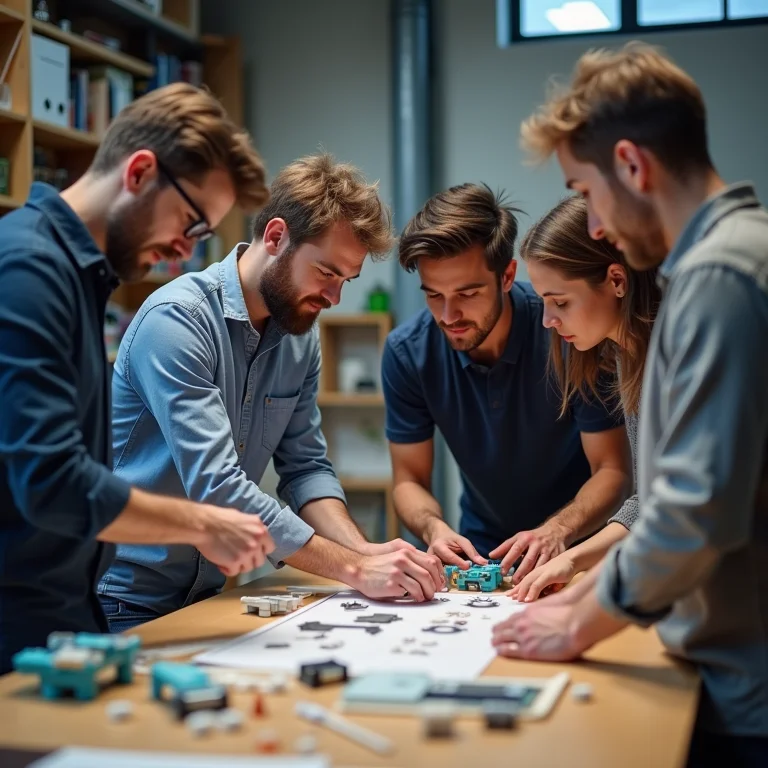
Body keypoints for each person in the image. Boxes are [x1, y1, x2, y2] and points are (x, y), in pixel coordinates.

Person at [492, 42, 768, 767]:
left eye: (585, 192)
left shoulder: (720, 277)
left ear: (632, 166)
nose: (593, 224)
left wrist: (578, 625)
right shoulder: (733, 259)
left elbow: (692, 511)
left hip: (749, 691)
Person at [98, 153, 445, 631]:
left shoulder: (300, 337)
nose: (334, 298)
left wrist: (362, 549)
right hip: (125, 601)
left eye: (347, 280)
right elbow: (218, 488)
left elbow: (306, 470)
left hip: (209, 596)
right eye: (326, 273)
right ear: (277, 237)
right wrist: (353, 569)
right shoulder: (177, 320)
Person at [0, 83, 276, 674]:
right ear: (140, 171)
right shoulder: (29, 268)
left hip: (66, 617)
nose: (184, 247)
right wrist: (202, 521)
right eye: (190, 220)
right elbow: (51, 481)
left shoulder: (79, 278)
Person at [381, 182, 632, 585]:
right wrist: (434, 529)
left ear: (507, 276)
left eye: (467, 292)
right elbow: (408, 479)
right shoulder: (407, 353)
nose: (449, 315)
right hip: (481, 555)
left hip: (581, 550)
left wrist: (557, 531)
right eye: (433, 295)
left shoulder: (572, 331)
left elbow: (612, 469)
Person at [505, 194, 660, 602]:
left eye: (560, 302)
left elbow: (675, 510)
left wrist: (577, 574)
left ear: (616, 280)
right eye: (542, 302)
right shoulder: (627, 356)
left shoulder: (675, 355)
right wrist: (573, 560)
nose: (548, 321)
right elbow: (650, 500)